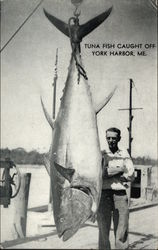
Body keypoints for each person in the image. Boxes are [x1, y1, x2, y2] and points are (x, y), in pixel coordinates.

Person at [97, 127, 135, 250]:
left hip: (120, 195)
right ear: (106, 138)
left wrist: (110, 172)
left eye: (114, 138)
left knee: (121, 229)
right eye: (108, 138)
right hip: (104, 194)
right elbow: (100, 174)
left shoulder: (124, 153)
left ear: (119, 138)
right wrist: (120, 169)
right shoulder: (101, 153)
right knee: (103, 229)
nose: (111, 140)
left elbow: (131, 175)